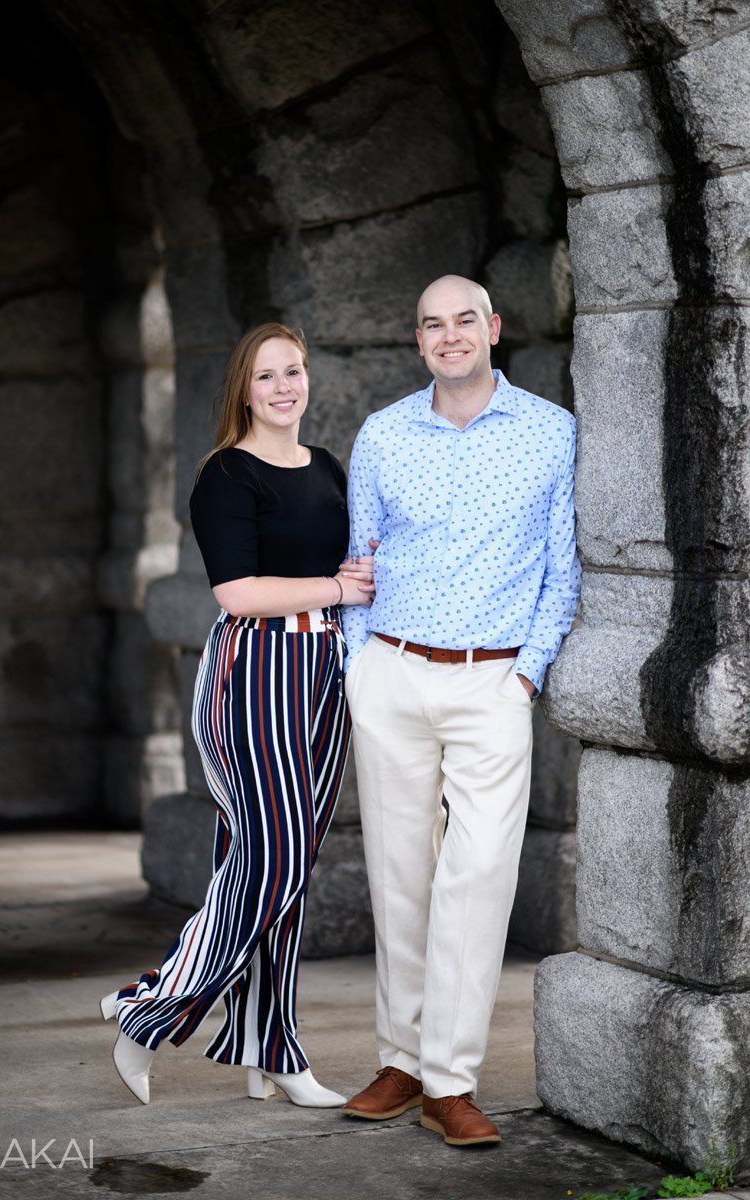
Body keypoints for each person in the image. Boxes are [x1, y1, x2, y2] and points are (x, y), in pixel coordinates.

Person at [100, 322, 375, 1108]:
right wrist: (338, 588)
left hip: (325, 672)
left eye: (294, 371)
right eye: (266, 377)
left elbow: (345, 562)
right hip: (252, 672)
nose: (285, 386)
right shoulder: (224, 476)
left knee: (284, 872)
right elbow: (237, 593)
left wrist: (352, 584)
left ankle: (271, 1048)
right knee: (274, 860)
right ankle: (145, 1006)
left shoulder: (324, 467)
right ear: (242, 391)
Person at [340, 275, 580, 1146]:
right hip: (393, 674)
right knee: (399, 876)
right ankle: (401, 1061)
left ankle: (449, 1079)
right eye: (431, 325)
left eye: (463, 321)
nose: (448, 337)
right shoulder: (382, 434)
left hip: (491, 685)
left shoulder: (551, 434)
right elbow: (355, 557)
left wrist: (525, 676)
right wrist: (358, 664)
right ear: (418, 340)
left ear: (493, 329)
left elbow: (563, 568)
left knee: (476, 880)